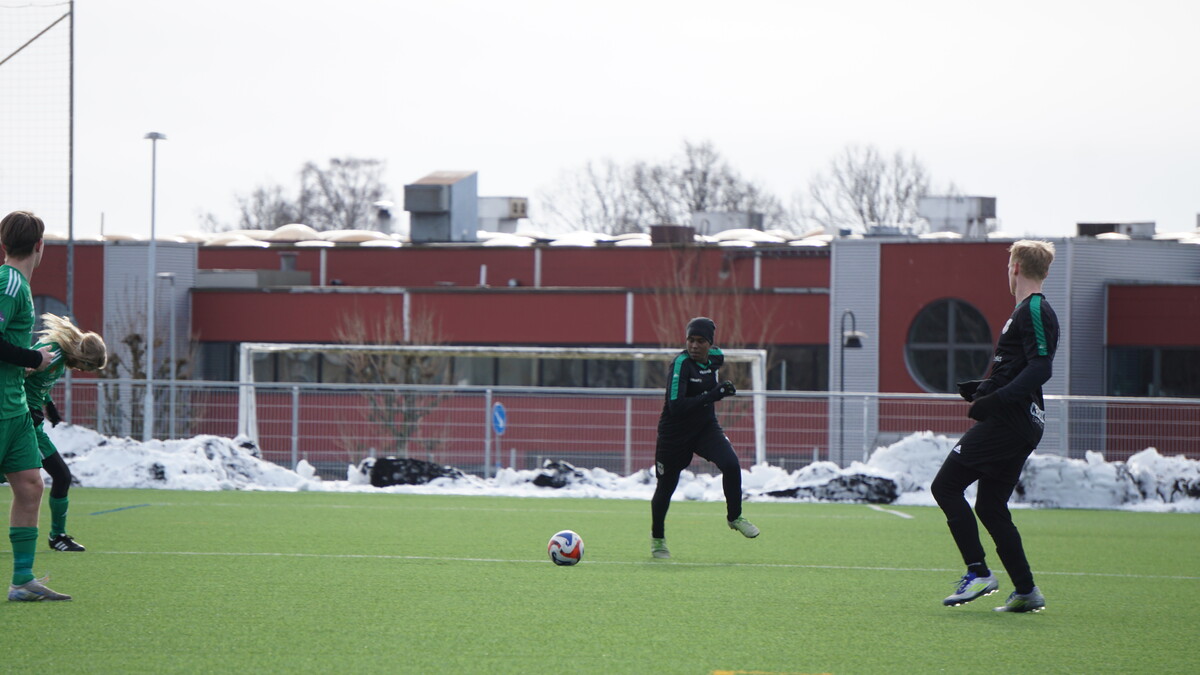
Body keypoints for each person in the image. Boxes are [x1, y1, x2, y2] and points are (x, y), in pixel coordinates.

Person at [932, 240, 1059, 613]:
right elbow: (1018, 368)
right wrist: (983, 389)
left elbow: (1041, 367)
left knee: (945, 486)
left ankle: (978, 572)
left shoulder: (1033, 308)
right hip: (1017, 421)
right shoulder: (1024, 311)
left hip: (1011, 421)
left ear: (1015, 267)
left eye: (1008, 267)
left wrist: (997, 399)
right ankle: (1026, 591)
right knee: (989, 506)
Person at [0, 211, 70, 600]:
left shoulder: (19, 284)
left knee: (30, 485)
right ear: (40, 246)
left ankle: (22, 581)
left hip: (14, 408)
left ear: (4, 243)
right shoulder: (10, 282)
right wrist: (34, 358)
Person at [650, 316, 758, 559]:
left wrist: (722, 389)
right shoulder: (680, 364)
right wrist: (714, 394)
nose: (694, 345)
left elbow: (718, 359)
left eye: (701, 341)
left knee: (731, 464)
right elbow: (676, 406)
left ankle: (735, 517)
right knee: (666, 488)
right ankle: (658, 538)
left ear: (710, 344)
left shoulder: (715, 357)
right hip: (674, 434)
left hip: (705, 429)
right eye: (691, 340)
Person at [25, 313, 108, 552]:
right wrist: (27, 409)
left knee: (61, 477)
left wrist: (48, 405)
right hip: (22, 423)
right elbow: (16, 375)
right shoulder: (54, 354)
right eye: (88, 366)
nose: (83, 370)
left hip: (32, 423)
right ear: (83, 357)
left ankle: (57, 536)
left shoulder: (60, 358)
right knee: (55, 476)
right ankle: (56, 536)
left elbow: (37, 384)